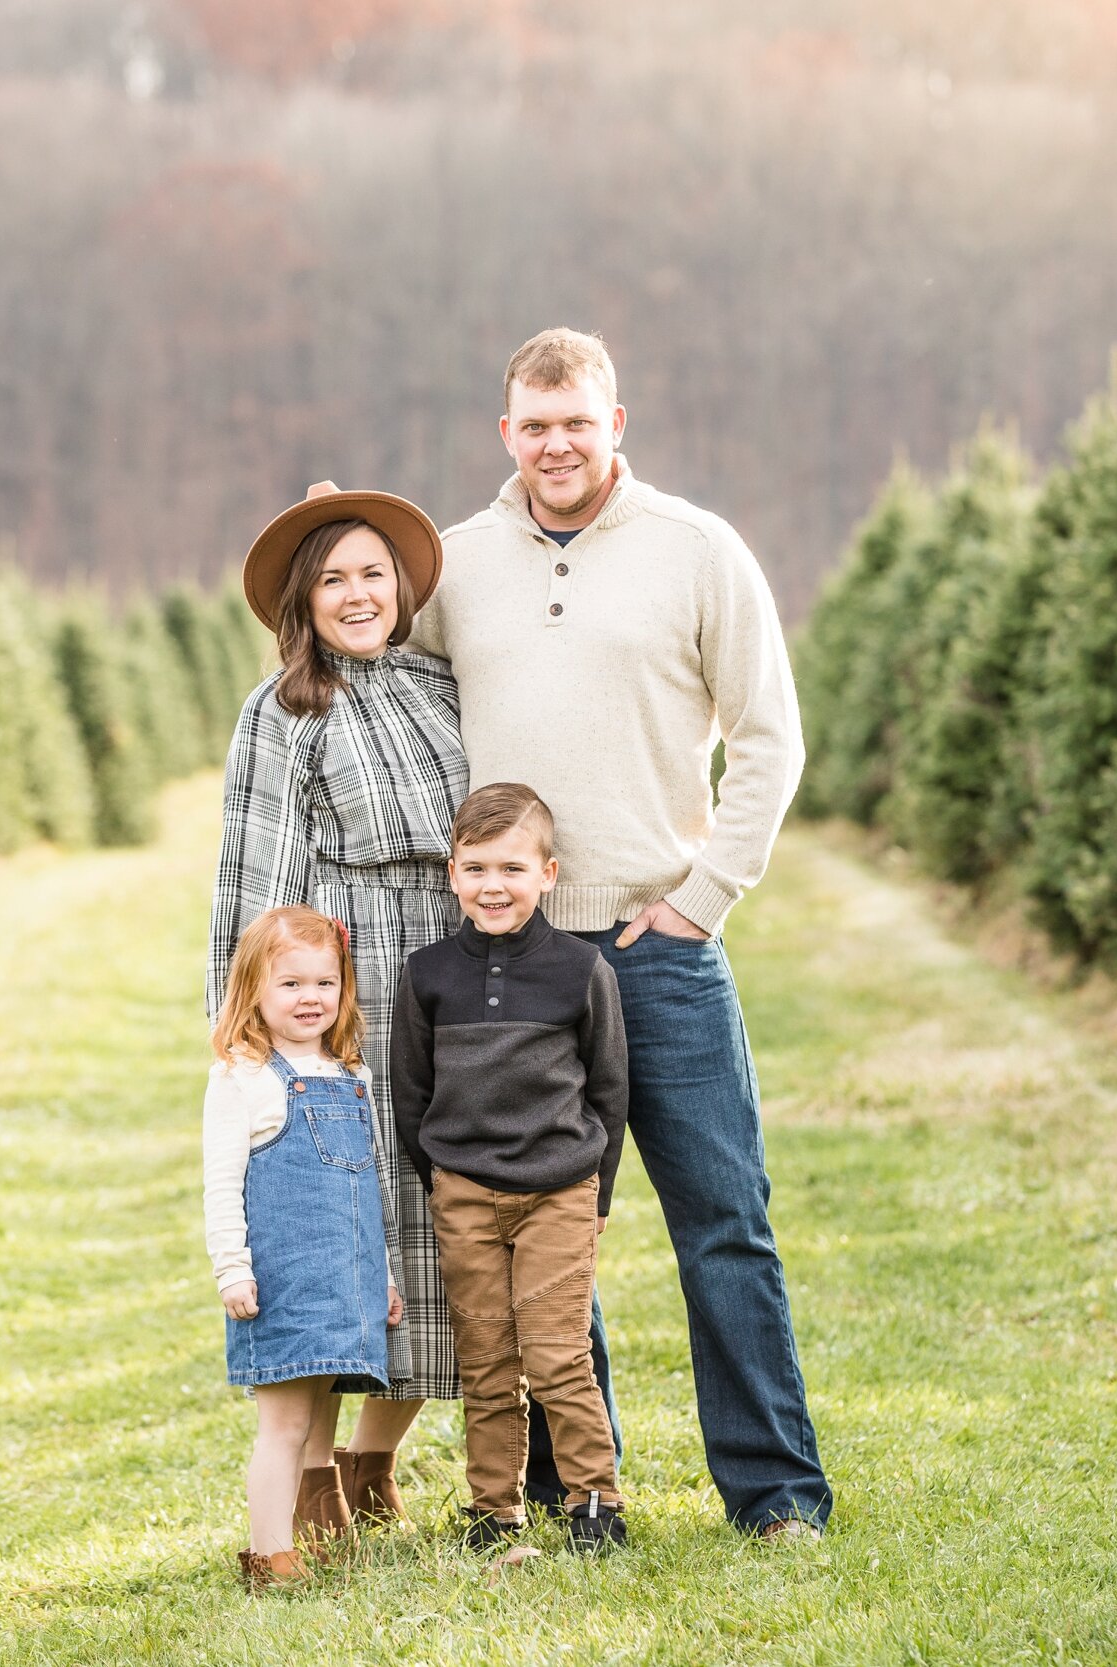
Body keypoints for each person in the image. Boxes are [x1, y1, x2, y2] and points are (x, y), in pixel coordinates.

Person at [406, 327, 833, 1538]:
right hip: (521, 967)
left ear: (615, 424)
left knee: (723, 1223)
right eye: (533, 425)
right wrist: (340, 539)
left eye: (576, 423)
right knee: (539, 1227)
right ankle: (568, 1486)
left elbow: (769, 738)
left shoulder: (697, 553)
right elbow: (373, 645)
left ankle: (775, 1492)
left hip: (661, 952)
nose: (555, 444)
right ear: (506, 433)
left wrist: (703, 897)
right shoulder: (458, 562)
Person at [207, 482, 467, 1543]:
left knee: (438, 1229)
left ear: (398, 585)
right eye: (332, 579)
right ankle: (309, 1473)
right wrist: (256, 1042)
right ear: (302, 602)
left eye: (371, 573)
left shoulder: (441, 686)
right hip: (346, 995)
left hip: (447, 977)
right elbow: (257, 885)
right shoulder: (283, 712)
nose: (356, 595)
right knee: (334, 1231)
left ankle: (372, 1457)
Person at [391, 783, 630, 1554]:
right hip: (463, 1194)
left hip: (559, 1190)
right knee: (486, 1357)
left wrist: (599, 1192)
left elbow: (609, 1088)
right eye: (476, 868)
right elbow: (411, 1092)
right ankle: (495, 1510)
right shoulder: (428, 975)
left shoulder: (580, 968)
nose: (494, 886)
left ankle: (596, 1500)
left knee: (560, 1353)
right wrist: (444, 1180)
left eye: (512, 869)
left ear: (549, 874)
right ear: (452, 875)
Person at [204, 906, 404, 1590]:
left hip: (345, 1283)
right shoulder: (244, 1077)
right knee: (285, 1426)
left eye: (326, 981)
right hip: (284, 1284)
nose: (311, 997)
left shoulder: (352, 1074)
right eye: (290, 983)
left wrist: (381, 1277)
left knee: (314, 1414)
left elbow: (367, 1195)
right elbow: (221, 1184)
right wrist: (233, 1268)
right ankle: (270, 1557)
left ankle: (292, 1543)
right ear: (254, 990)